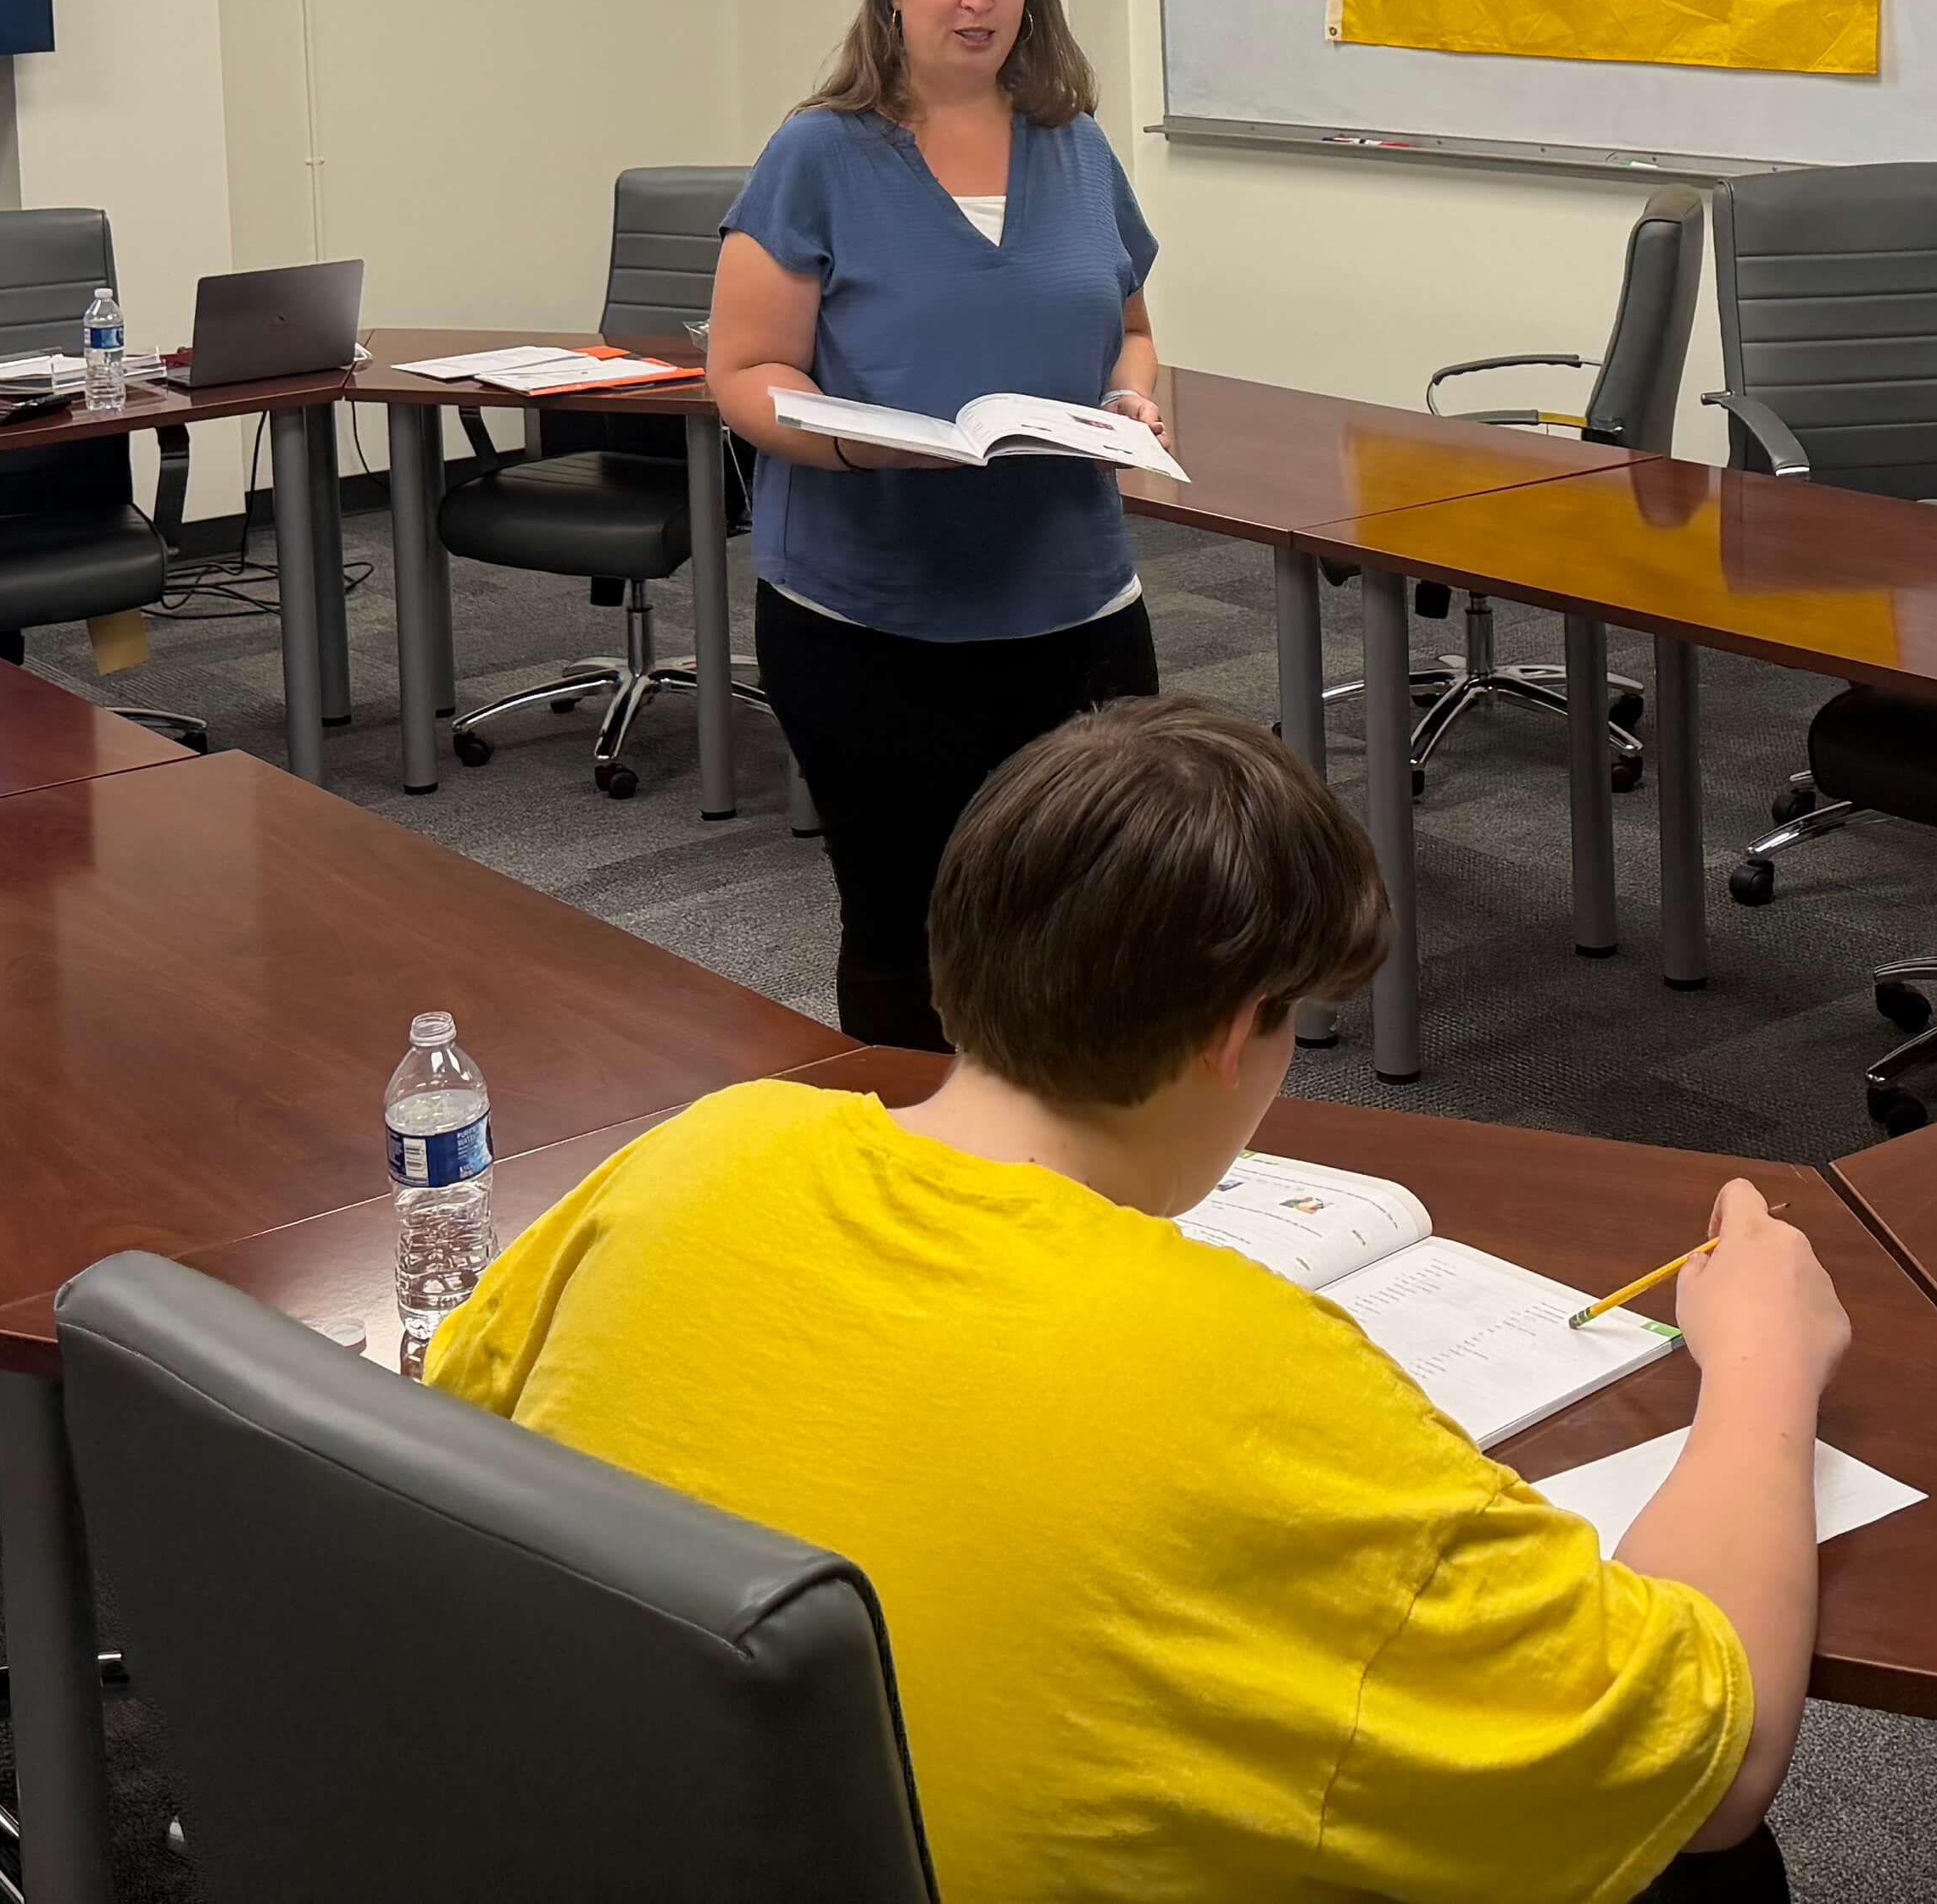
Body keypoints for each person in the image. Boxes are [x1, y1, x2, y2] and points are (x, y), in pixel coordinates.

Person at [430, 696, 1851, 1901]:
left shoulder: (704, 1146)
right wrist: (1762, 1365)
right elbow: (1715, 1762)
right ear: (1237, 1032)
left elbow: (450, 1431)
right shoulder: (1248, 1364)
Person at [711, 0, 1167, 1049]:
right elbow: (745, 374)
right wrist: (863, 449)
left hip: (1075, 608)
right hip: (871, 622)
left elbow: (1131, 327)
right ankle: (911, 1189)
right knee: (910, 929)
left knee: (1090, 924)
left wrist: (1133, 398)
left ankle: (1064, 1194)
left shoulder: (1074, 143)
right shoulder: (819, 152)